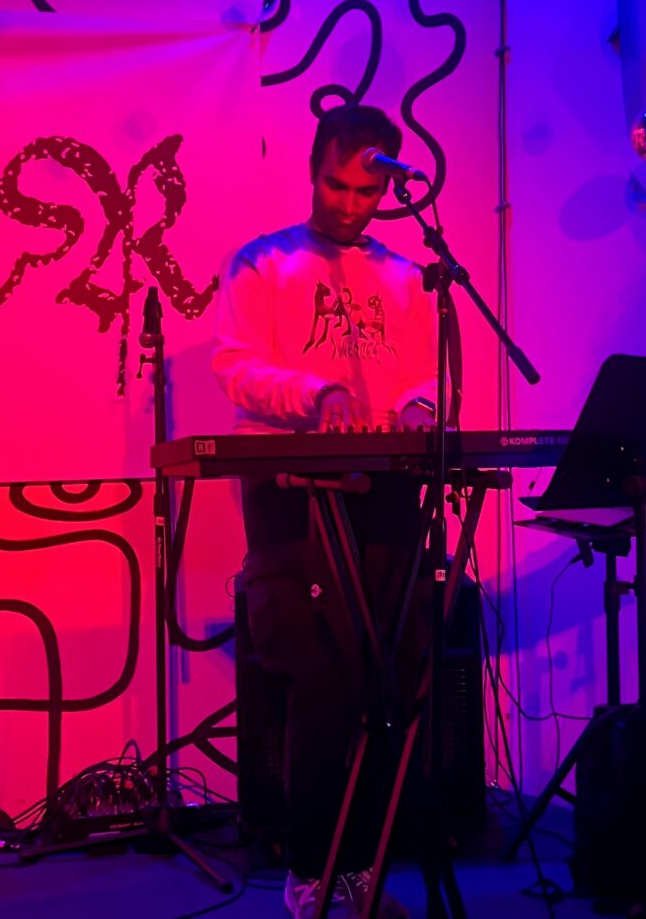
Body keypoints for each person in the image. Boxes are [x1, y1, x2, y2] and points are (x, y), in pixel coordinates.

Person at [212, 105, 439, 918]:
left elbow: (423, 372)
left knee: (383, 675)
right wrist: (316, 394)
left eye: (365, 191)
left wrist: (418, 406)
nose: (349, 204)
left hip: (384, 481)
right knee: (318, 678)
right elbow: (234, 365)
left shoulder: (407, 276)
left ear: (389, 188)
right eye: (336, 186)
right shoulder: (263, 262)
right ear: (313, 172)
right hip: (291, 485)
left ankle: (362, 865)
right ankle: (309, 866)